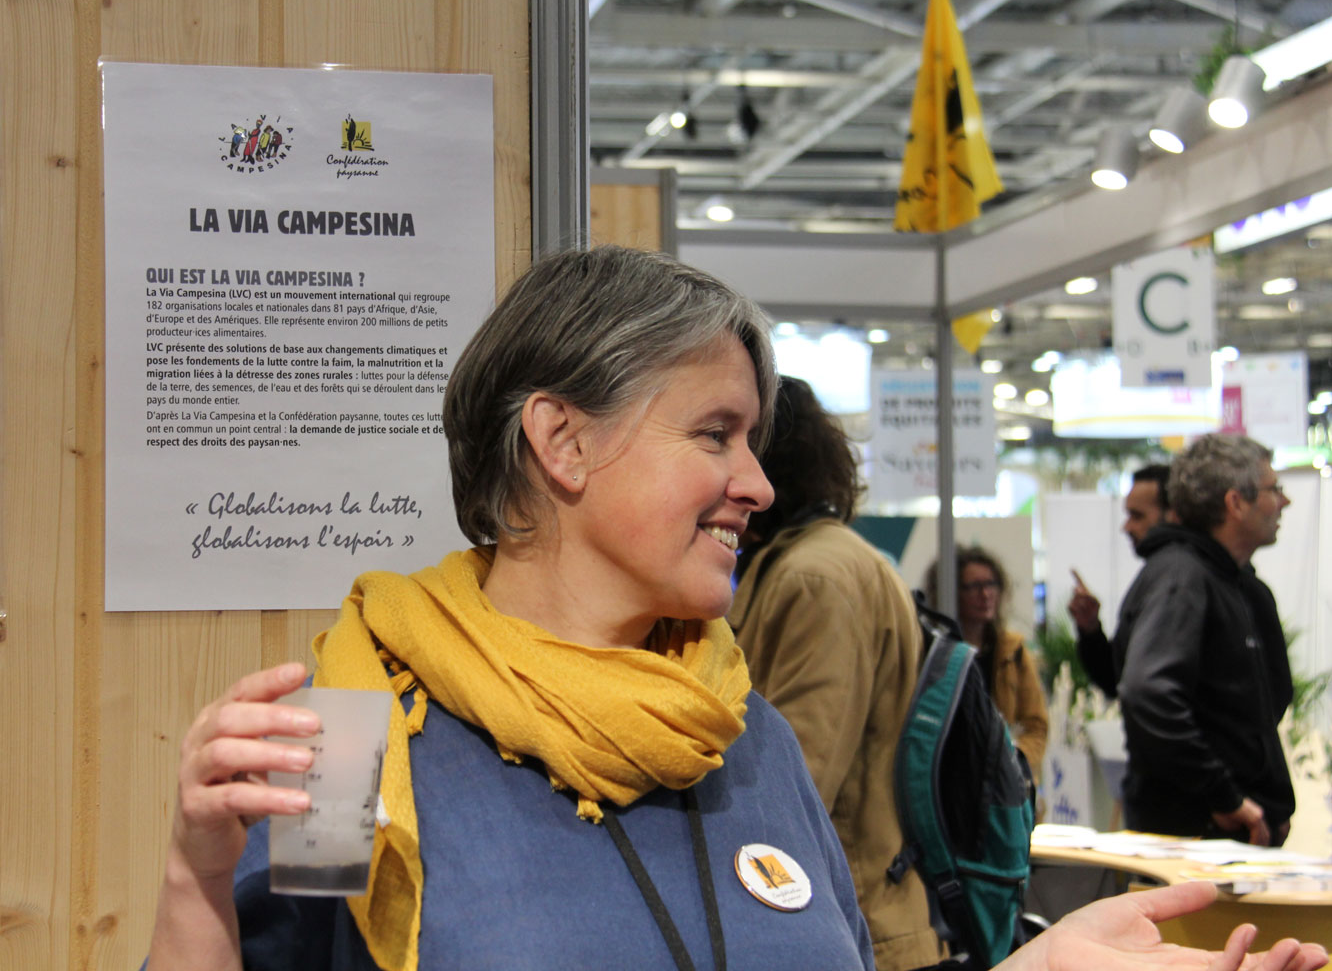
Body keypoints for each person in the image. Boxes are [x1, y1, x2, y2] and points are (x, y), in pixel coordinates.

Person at [147, 247, 1326, 971]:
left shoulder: (738, 732)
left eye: (754, 439)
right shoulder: (350, 740)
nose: (758, 484)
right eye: (714, 433)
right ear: (561, 439)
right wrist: (196, 886)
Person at [729, 376, 938, 971]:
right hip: (859, 914)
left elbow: (798, 781)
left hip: (857, 925)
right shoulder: (818, 561)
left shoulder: (814, 578)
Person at [1113, 434, 1296, 846]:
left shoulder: (1234, 583)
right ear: (1235, 503)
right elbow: (1148, 693)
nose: (1284, 502)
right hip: (1196, 841)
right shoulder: (1182, 577)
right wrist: (1224, 796)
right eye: (1273, 490)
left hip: (1228, 841)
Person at [925, 545, 1048, 778]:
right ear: (951, 592)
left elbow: (1036, 725)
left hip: (1004, 780)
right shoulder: (936, 653)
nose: (985, 595)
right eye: (974, 587)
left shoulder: (1013, 651)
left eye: (991, 584)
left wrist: (1016, 761)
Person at [1066, 464, 1171, 698]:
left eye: (1137, 516)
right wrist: (1091, 629)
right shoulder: (1154, 578)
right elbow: (1117, 677)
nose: (1126, 527)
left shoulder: (1179, 584)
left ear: (1173, 514)